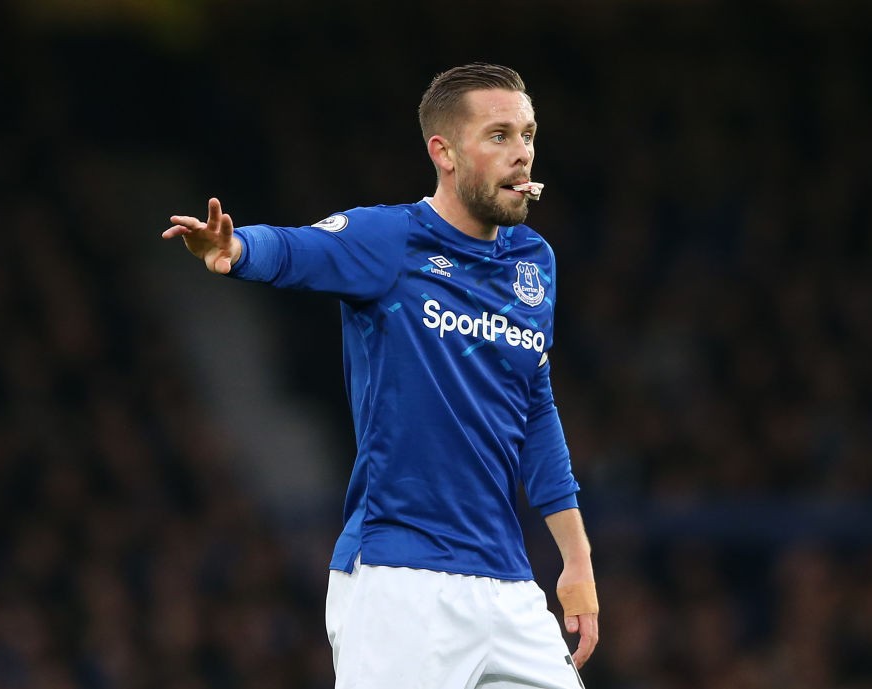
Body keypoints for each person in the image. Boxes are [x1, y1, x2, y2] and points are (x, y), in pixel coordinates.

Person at [163, 62, 598, 689]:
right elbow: (297, 248)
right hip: (401, 580)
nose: (522, 155)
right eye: (499, 136)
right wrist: (234, 251)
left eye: (528, 135)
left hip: (508, 584)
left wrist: (576, 561)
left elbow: (534, 408)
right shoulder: (390, 239)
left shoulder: (534, 264)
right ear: (443, 152)